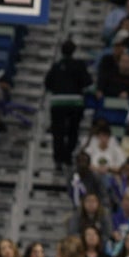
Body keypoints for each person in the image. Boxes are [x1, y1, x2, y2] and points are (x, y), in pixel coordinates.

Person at [44, 39, 91, 170]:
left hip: (58, 102)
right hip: (75, 102)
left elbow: (47, 84)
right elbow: (87, 82)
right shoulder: (79, 65)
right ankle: (68, 156)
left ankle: (58, 159)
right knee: (73, 131)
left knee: (57, 132)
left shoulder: (56, 66)